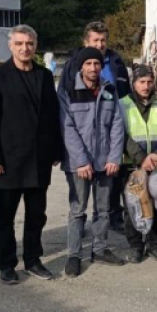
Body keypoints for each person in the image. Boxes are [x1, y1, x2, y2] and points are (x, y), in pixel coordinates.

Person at [0, 25, 64, 284]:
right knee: (5, 216)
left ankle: (33, 260)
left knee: (36, 215)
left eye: (29, 43)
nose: (24, 48)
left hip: (39, 160)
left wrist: (55, 149)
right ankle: (6, 264)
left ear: (35, 45)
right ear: (11, 46)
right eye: (19, 43)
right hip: (7, 160)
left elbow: (52, 116)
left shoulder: (44, 75)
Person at [59, 47, 127, 277]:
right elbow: (67, 128)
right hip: (78, 164)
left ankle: (99, 249)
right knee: (78, 210)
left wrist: (114, 157)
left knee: (103, 209)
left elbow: (118, 124)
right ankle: (74, 255)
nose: (93, 68)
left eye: (96, 64)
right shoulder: (69, 90)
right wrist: (80, 161)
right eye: (88, 64)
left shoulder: (108, 90)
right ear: (81, 66)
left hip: (104, 162)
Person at [59, 22, 132, 233]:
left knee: (111, 183)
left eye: (103, 40)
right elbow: (64, 109)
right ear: (86, 42)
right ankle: (79, 229)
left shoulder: (116, 61)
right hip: (82, 133)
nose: (100, 44)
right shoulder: (73, 65)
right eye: (95, 40)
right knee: (80, 195)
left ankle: (112, 219)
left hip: (111, 130)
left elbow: (125, 96)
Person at [120, 66, 157, 263]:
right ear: (133, 83)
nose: (146, 86)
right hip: (132, 166)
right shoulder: (123, 105)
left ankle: (154, 246)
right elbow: (121, 135)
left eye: (149, 82)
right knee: (133, 207)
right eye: (141, 82)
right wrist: (140, 158)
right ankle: (136, 246)